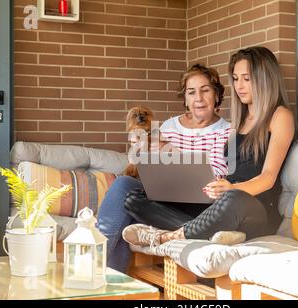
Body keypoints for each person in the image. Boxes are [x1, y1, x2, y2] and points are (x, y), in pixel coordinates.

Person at [122, 46, 296, 248]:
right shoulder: (240, 120)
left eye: (247, 79)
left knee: (233, 199)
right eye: (236, 78)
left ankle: (165, 237)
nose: (239, 86)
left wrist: (231, 188)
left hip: (254, 207)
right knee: (135, 199)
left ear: (265, 78)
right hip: (224, 200)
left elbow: (268, 177)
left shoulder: (280, 116)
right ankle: (212, 232)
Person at [96, 64, 230, 272]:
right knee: (124, 184)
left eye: (205, 90)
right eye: (191, 92)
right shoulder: (168, 126)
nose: (198, 98)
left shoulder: (227, 132)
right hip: (159, 200)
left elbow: (219, 176)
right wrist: (144, 152)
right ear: (184, 98)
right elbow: (146, 169)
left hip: (199, 208)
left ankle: (101, 272)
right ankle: (103, 271)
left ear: (217, 95)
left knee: (126, 207)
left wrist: (173, 154)